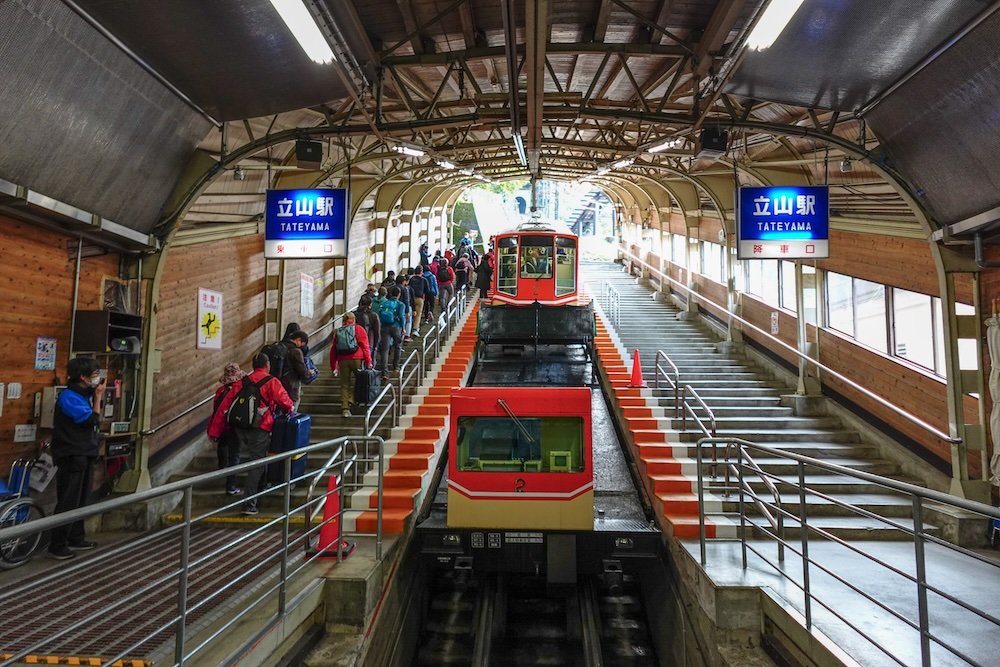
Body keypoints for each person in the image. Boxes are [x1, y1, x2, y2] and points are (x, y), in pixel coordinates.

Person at [209, 353, 293, 515]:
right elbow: (284, 400)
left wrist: (214, 430)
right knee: (256, 463)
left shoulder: (241, 382)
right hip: (260, 426)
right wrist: (291, 409)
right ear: (267, 365)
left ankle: (258, 487)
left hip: (239, 426)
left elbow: (223, 407)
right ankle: (249, 504)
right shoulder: (271, 381)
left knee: (249, 458)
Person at [48, 356, 104, 560]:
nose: (97, 378)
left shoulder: (84, 395)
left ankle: (76, 537)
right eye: (95, 375)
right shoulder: (69, 397)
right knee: (68, 500)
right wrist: (98, 398)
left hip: (86, 453)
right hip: (71, 455)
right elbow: (90, 421)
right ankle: (57, 544)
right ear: (82, 376)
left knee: (82, 499)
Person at [210, 362, 245, 496]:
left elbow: (216, 409)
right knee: (235, 455)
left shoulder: (220, 391)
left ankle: (221, 468)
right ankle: (231, 485)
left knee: (222, 446)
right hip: (234, 426)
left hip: (222, 425)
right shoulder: (239, 389)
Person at [329, 312, 373, 417]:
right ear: (354, 319)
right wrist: (369, 361)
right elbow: (365, 346)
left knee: (345, 384)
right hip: (357, 359)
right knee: (360, 381)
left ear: (343, 320)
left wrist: (333, 366)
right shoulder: (359, 329)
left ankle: (345, 409)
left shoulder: (339, 331)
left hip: (342, 360)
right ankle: (353, 400)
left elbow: (333, 350)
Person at [378, 285, 407, 377]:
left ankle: (384, 372)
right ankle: (396, 367)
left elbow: (379, 314)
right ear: (399, 294)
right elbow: (402, 316)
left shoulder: (385, 303)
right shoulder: (400, 304)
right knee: (398, 346)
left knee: (385, 350)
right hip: (396, 327)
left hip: (384, 328)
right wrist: (403, 327)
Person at [279, 330, 310, 411]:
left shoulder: (279, 347)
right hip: (291, 385)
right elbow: (302, 370)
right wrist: (309, 374)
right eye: (302, 344)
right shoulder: (295, 351)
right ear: (298, 340)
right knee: (292, 409)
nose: (301, 347)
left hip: (277, 385)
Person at [355, 294, 381, 364]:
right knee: (369, 363)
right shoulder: (374, 315)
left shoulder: (354, 315)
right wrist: (376, 345)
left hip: (355, 343)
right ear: (370, 304)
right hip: (369, 342)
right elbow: (377, 332)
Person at [408, 266, 427, 336]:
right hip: (420, 298)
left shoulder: (411, 279)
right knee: (418, 314)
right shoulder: (423, 280)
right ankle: (415, 329)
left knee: (410, 313)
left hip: (410, 299)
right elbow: (427, 290)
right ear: (421, 272)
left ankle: (408, 330)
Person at [395, 274, 414, 342]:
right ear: (403, 281)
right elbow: (406, 300)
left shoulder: (392, 288)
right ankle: (406, 336)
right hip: (403, 308)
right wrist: (407, 311)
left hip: (394, 309)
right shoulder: (404, 288)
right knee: (407, 322)